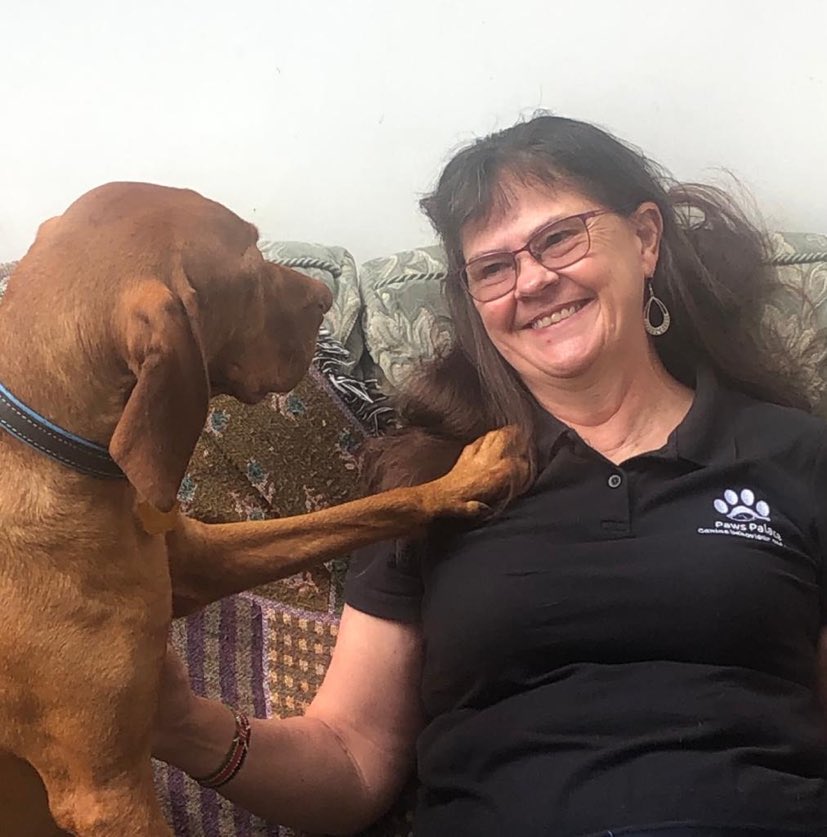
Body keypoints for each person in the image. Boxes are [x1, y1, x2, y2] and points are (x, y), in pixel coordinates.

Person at [153, 113, 827, 836]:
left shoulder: (794, 454)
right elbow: (350, 760)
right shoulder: (429, 484)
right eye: (493, 267)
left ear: (644, 238)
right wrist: (190, 729)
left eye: (558, 238)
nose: (532, 280)